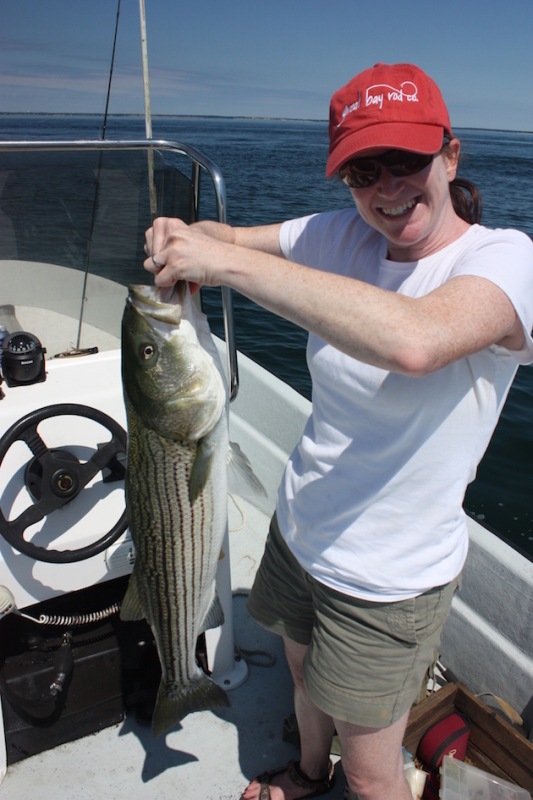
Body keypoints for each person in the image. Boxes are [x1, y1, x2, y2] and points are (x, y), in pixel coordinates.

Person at [144, 63, 533, 800]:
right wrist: (186, 234)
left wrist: (221, 262)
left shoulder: (504, 260)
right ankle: (301, 770)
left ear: (450, 154)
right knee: (300, 677)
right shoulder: (341, 235)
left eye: (406, 161)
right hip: (301, 528)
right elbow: (227, 235)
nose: (386, 188)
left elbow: (415, 341)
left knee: (372, 769)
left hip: (387, 578)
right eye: (361, 171)